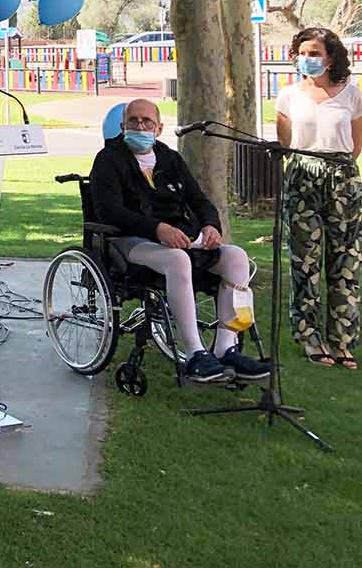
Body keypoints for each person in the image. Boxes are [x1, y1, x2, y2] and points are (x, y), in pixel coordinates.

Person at [90, 98, 270, 383]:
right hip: (130, 241)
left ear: (159, 128)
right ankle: (195, 353)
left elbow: (199, 200)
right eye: (133, 121)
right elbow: (110, 211)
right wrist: (157, 229)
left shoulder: (170, 159)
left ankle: (225, 347)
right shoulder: (108, 160)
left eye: (146, 121)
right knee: (177, 260)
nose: (140, 126)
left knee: (236, 257)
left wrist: (211, 226)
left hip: (178, 237)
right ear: (123, 126)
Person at [276, 27, 362, 368]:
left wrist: (338, 171)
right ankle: (309, 336)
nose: (308, 59)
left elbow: (356, 144)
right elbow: (285, 144)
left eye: (315, 53)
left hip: (342, 180)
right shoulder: (288, 96)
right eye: (303, 53)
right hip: (302, 180)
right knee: (305, 262)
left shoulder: (352, 94)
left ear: (331, 57)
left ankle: (342, 340)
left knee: (346, 261)